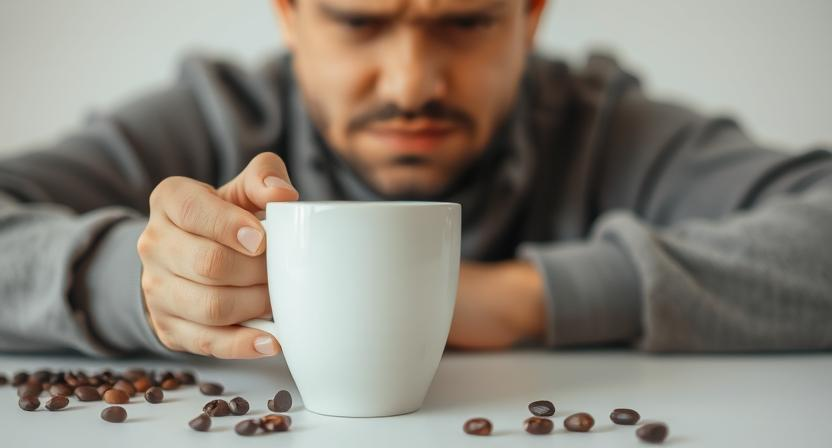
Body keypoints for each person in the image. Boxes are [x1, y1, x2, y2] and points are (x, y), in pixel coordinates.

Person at [1, 0, 831, 359]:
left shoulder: (603, 126)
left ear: (530, 17)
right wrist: (134, 281)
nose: (411, 86)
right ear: (289, 14)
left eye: (468, 22)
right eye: (360, 22)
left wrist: (516, 300)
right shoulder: (214, 119)